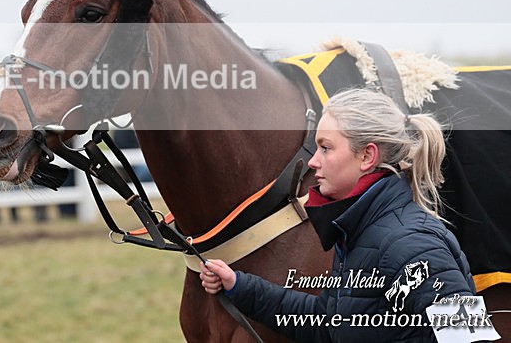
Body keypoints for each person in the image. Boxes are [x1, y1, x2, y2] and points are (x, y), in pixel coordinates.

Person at [199, 88, 475, 342]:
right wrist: (238, 285)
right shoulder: (361, 231)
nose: (313, 161)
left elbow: (467, 336)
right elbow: (328, 323)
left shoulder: (412, 244)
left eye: (325, 147)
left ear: (367, 156)